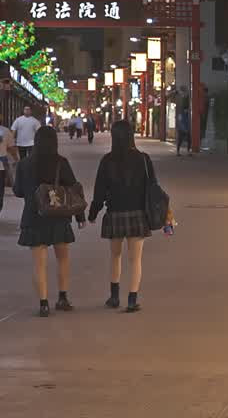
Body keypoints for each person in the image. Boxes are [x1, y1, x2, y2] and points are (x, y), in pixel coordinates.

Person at [13, 126, 85, 317]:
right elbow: (73, 191)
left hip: (34, 217)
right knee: (63, 259)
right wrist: (80, 217)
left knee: (39, 264)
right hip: (58, 217)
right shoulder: (61, 162)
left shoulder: (24, 164)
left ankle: (43, 303)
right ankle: (62, 298)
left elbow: (18, 191)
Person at [88, 120, 159, 312]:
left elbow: (99, 191)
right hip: (137, 213)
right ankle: (132, 300)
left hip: (115, 214)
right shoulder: (143, 159)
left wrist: (92, 213)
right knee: (135, 260)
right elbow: (153, 185)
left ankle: (114, 297)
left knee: (115, 256)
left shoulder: (107, 161)